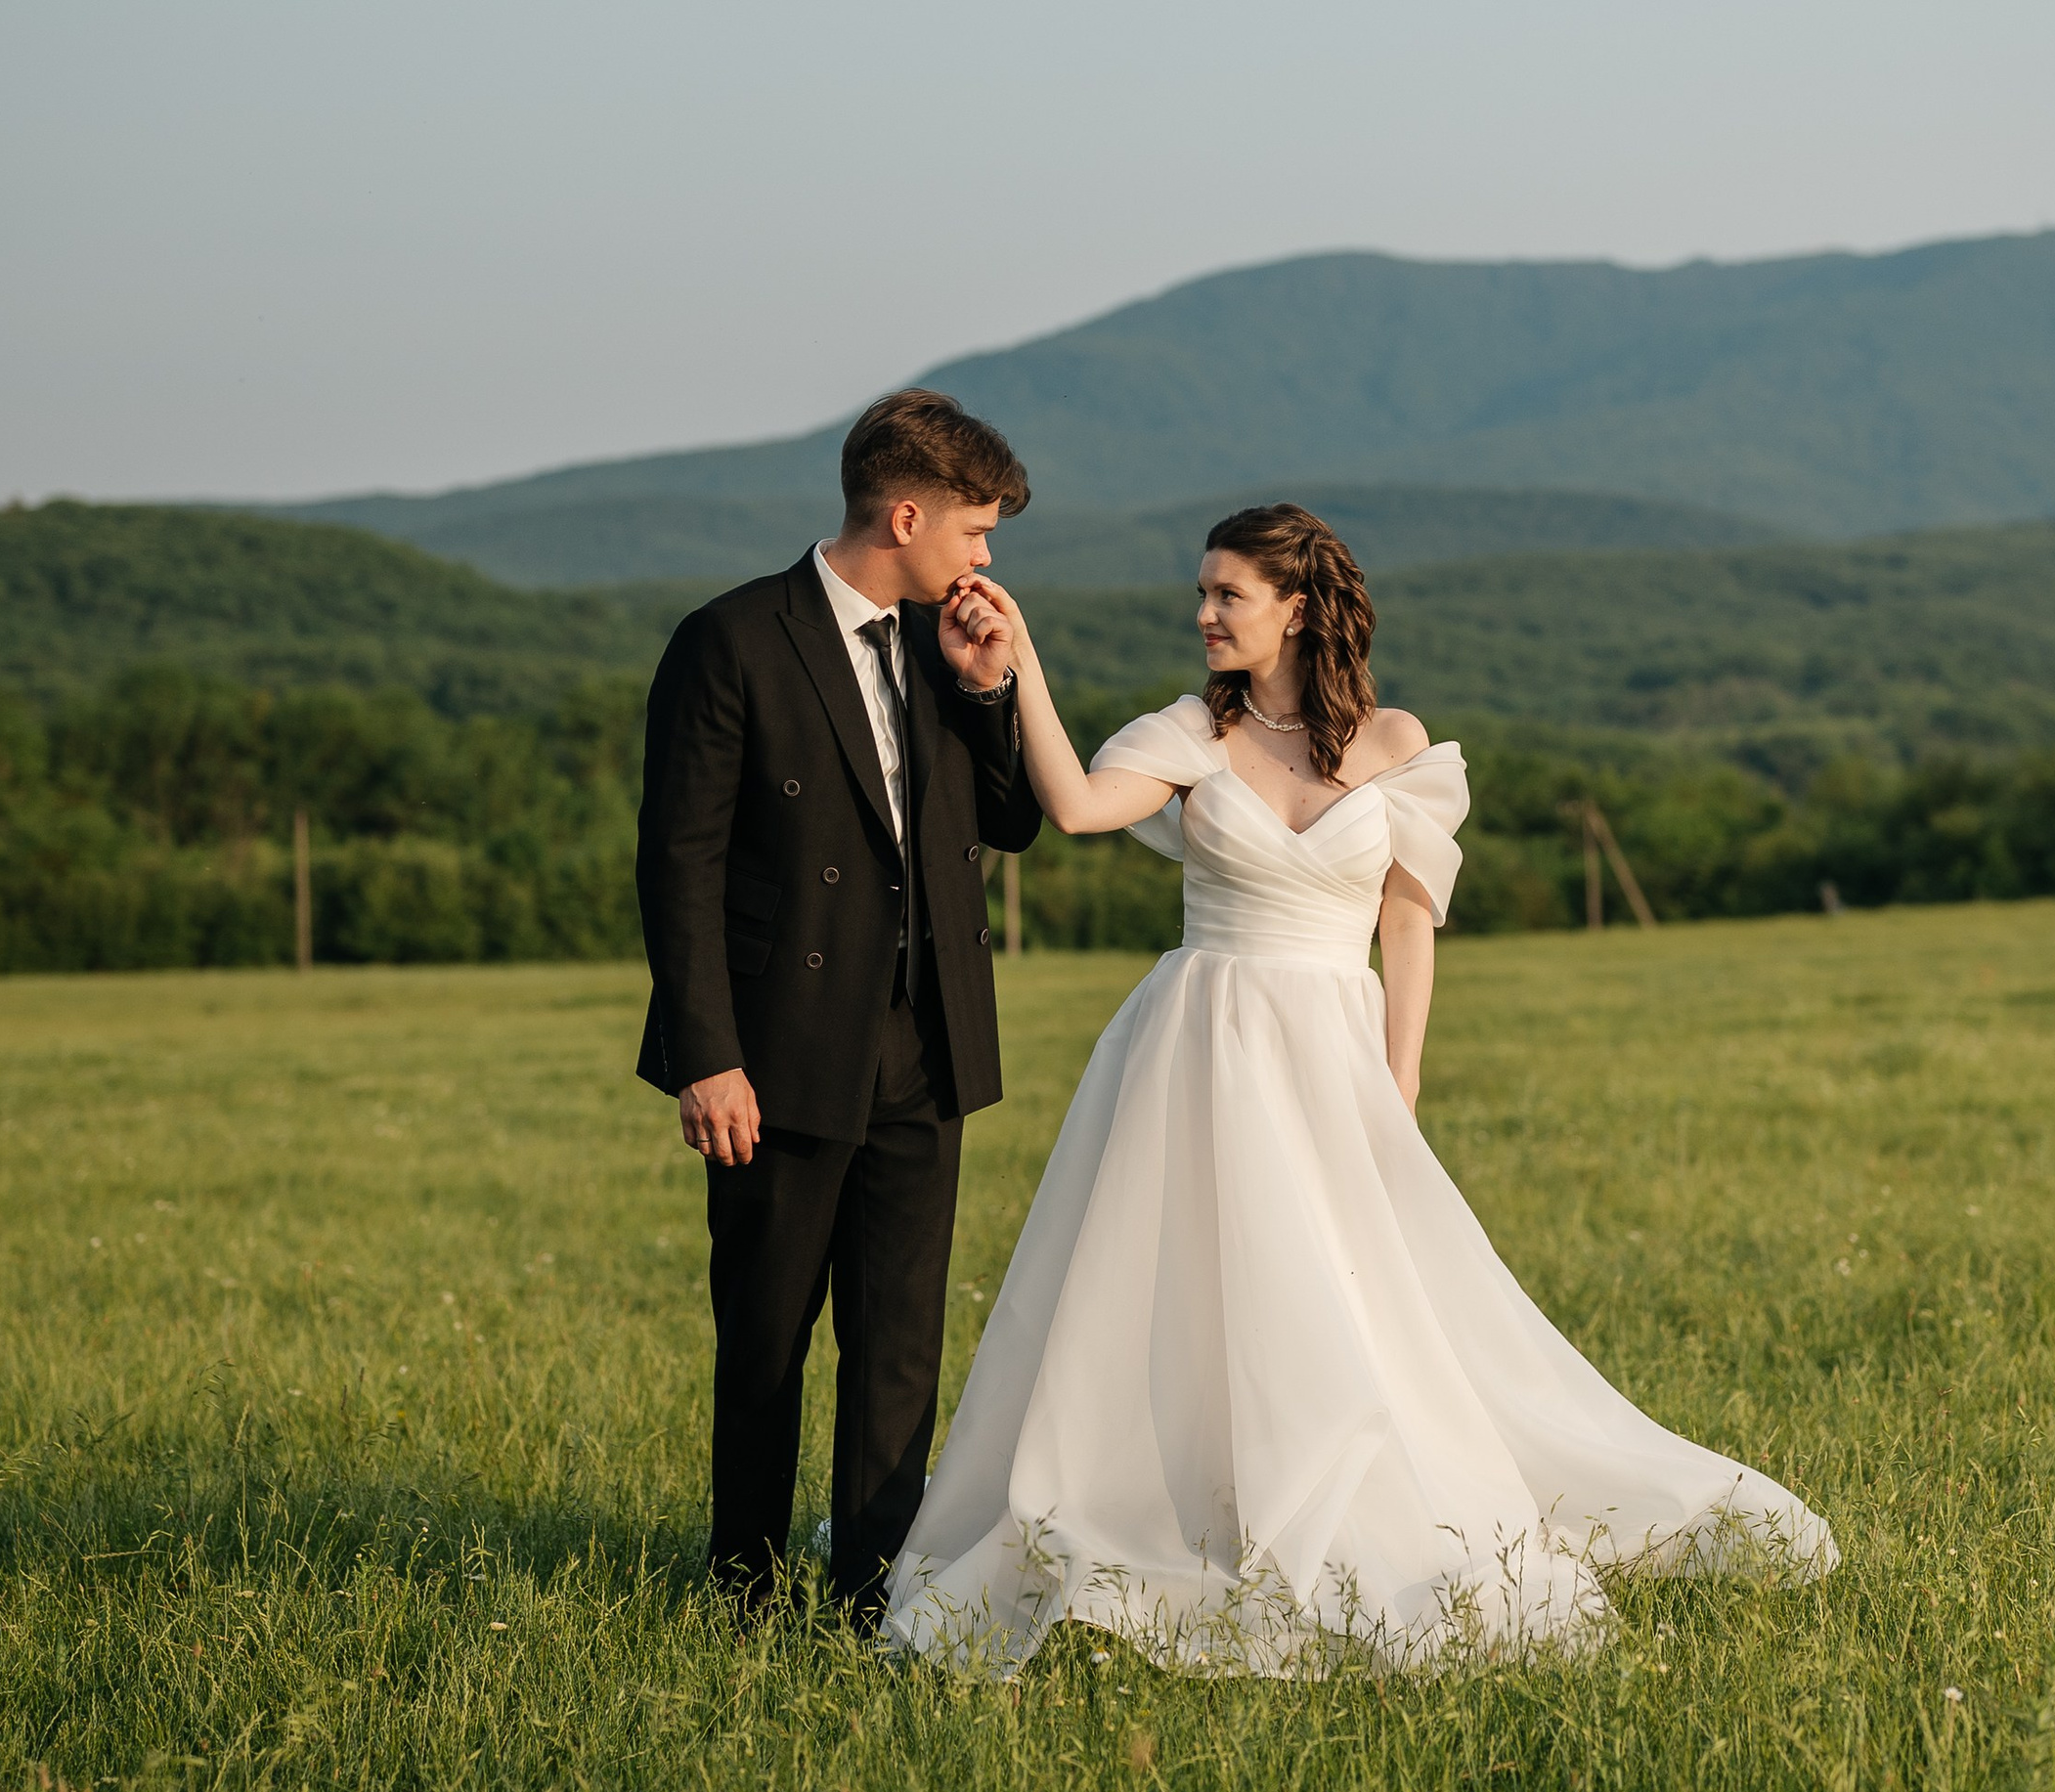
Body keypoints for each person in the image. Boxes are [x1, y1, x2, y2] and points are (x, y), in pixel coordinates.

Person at [881, 503, 1835, 1669]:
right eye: (1201, 591)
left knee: (1348, 1292)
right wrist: (1020, 662)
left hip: (1332, 1045)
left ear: (1295, 604)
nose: (1201, 614)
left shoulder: (1396, 743)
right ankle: (1179, 1502)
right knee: (1190, 1283)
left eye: (1225, 594)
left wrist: (1399, 1073)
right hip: (1200, 1040)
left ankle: (1349, 1488)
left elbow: (1408, 922)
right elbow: (1077, 806)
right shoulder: (1190, 730)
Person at [635, 388, 1042, 1622]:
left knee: (899, 1345)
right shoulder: (733, 637)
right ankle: (745, 1592)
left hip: (927, 1043)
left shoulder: (945, 641)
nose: (984, 558)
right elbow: (679, 864)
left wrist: (988, 690)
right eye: (974, 529)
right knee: (765, 1339)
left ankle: (877, 1592)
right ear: (905, 513)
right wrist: (709, 1057)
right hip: (781, 1050)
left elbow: (1015, 822)